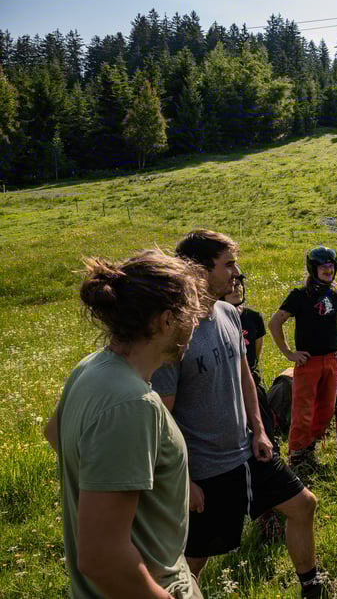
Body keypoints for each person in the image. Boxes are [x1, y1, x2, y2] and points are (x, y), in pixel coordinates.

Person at [151, 230, 326, 599]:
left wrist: (259, 430)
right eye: (228, 264)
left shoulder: (229, 313)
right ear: (198, 270)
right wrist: (184, 480)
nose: (236, 272)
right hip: (206, 469)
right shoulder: (174, 333)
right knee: (193, 559)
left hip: (249, 453)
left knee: (303, 505)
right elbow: (161, 417)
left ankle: (312, 588)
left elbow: (245, 375)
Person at [44, 249, 207, 599]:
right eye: (192, 315)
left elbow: (54, 433)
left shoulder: (91, 367)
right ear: (166, 321)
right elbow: (102, 558)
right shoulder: (132, 404)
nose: (196, 324)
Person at [269, 246, 337, 478]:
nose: (328, 270)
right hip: (307, 362)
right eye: (323, 267)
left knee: (326, 408)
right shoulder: (299, 295)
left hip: (332, 361)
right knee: (303, 410)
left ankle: (311, 445)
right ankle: (297, 453)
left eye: (331, 266)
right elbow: (275, 322)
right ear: (313, 268)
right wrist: (289, 353)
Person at [222, 273, 283, 543]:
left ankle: (271, 509)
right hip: (227, 394)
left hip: (252, 390)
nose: (237, 288)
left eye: (240, 283)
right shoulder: (217, 320)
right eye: (232, 284)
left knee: (268, 442)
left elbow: (253, 360)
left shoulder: (253, 318)